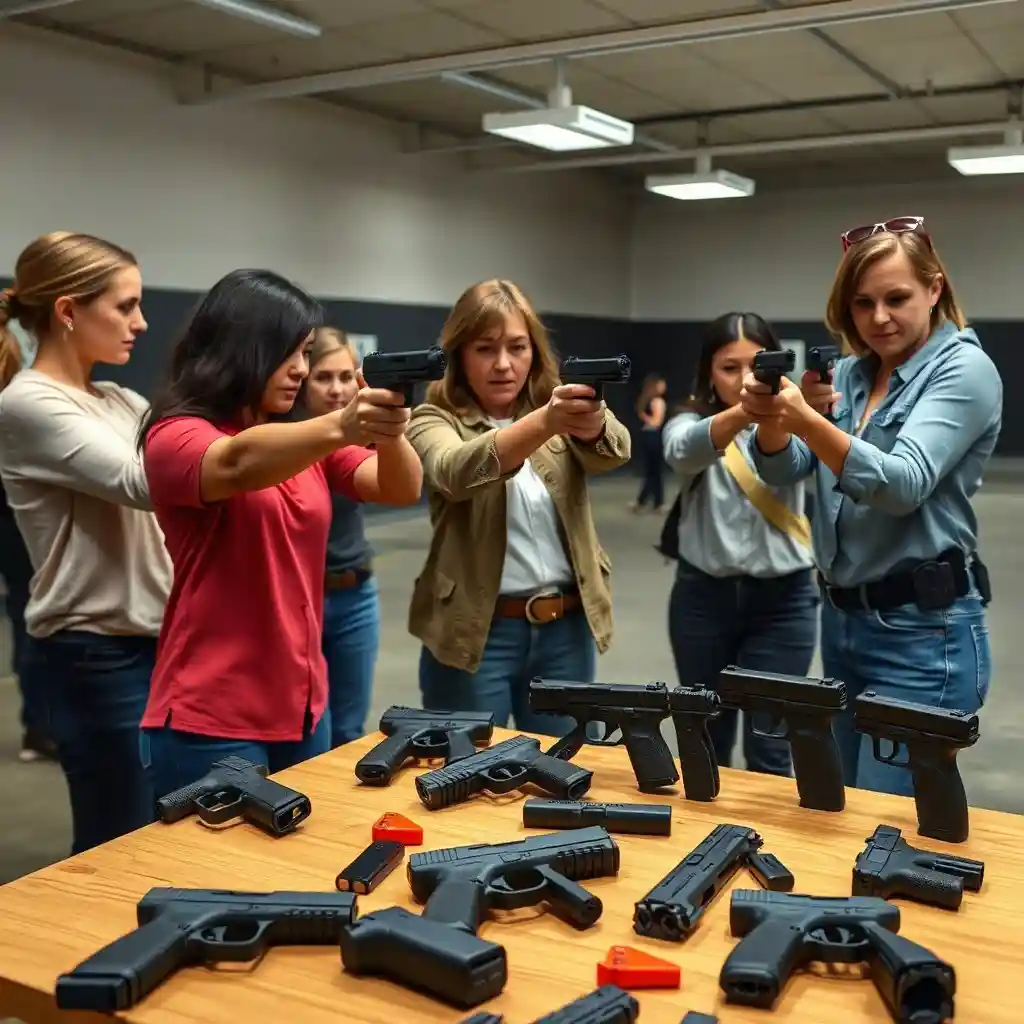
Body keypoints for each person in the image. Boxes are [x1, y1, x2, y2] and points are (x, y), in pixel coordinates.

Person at [740, 215, 1001, 796]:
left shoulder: (964, 370)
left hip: (921, 633)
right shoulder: (853, 373)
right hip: (843, 624)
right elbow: (787, 470)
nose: (879, 318)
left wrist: (806, 420)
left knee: (887, 827)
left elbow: (903, 484)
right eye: (863, 303)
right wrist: (775, 425)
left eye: (897, 298)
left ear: (935, 289)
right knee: (842, 807)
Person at [138, 269, 422, 798]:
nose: (300, 369)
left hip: (300, 705)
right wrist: (342, 425)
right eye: (288, 352)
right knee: (219, 880)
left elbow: (399, 487)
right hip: (211, 713)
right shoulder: (175, 436)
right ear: (242, 349)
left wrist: (390, 429)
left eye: (306, 352)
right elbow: (238, 464)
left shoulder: (301, 441)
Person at [0, 232, 172, 853]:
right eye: (125, 307)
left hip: (157, 643)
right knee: (118, 840)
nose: (140, 322)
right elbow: (148, 481)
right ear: (68, 312)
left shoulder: (121, 399)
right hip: (95, 655)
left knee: (162, 826)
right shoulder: (28, 404)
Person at [406, 279, 631, 734]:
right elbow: (454, 469)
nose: (504, 364)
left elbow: (616, 451)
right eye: (485, 348)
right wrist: (546, 421)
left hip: (564, 628)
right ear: (459, 355)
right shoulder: (433, 418)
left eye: (517, 347)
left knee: (563, 774)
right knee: (467, 770)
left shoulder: (558, 409)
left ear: (535, 352)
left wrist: (590, 423)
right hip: (476, 629)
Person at [659, 313, 818, 776]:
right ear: (708, 370)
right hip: (703, 599)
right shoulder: (691, 418)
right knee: (705, 737)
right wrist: (744, 412)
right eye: (730, 368)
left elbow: (782, 466)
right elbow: (681, 452)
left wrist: (772, 416)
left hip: (783, 602)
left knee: (771, 746)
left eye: (757, 365)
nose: (746, 379)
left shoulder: (801, 420)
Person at [297, 327, 381, 747]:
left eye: (346, 377)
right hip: (300, 599)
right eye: (323, 377)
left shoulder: (363, 437)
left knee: (349, 731)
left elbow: (399, 484)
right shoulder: (283, 441)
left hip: (354, 595)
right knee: (311, 726)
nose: (337, 389)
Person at [629, 373, 667, 513]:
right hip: (653, 437)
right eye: (662, 384)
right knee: (654, 472)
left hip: (648, 436)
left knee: (652, 472)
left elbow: (650, 419)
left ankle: (644, 502)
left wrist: (643, 415)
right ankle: (656, 503)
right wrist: (646, 417)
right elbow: (656, 422)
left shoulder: (647, 400)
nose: (664, 387)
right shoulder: (657, 401)